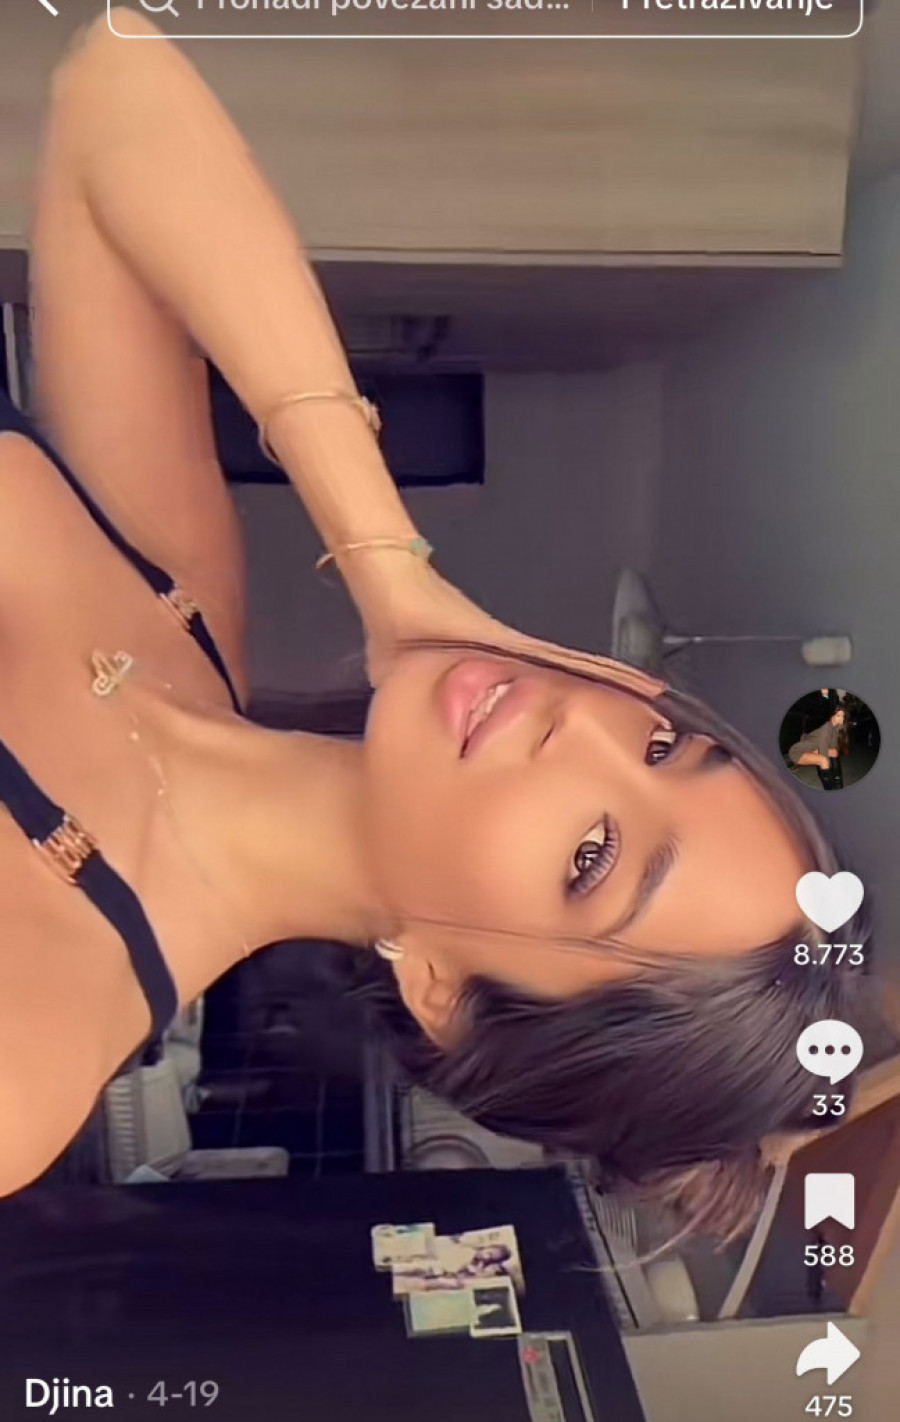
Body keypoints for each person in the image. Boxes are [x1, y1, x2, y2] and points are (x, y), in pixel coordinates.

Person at [0, 10, 878, 1237]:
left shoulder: (28, 1058)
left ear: (442, 992)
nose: (579, 725)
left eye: (593, 858)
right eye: (663, 742)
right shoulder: (179, 601)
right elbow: (115, 86)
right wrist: (389, 568)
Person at [788, 707, 846, 790]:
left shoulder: (833, 728)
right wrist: (827, 771)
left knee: (834, 752)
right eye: (838, 715)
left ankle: (838, 785)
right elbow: (823, 752)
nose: (841, 718)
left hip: (810, 749)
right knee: (823, 760)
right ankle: (830, 789)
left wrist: (838, 727)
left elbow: (833, 746)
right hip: (797, 752)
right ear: (832, 716)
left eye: (843, 716)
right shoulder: (826, 728)